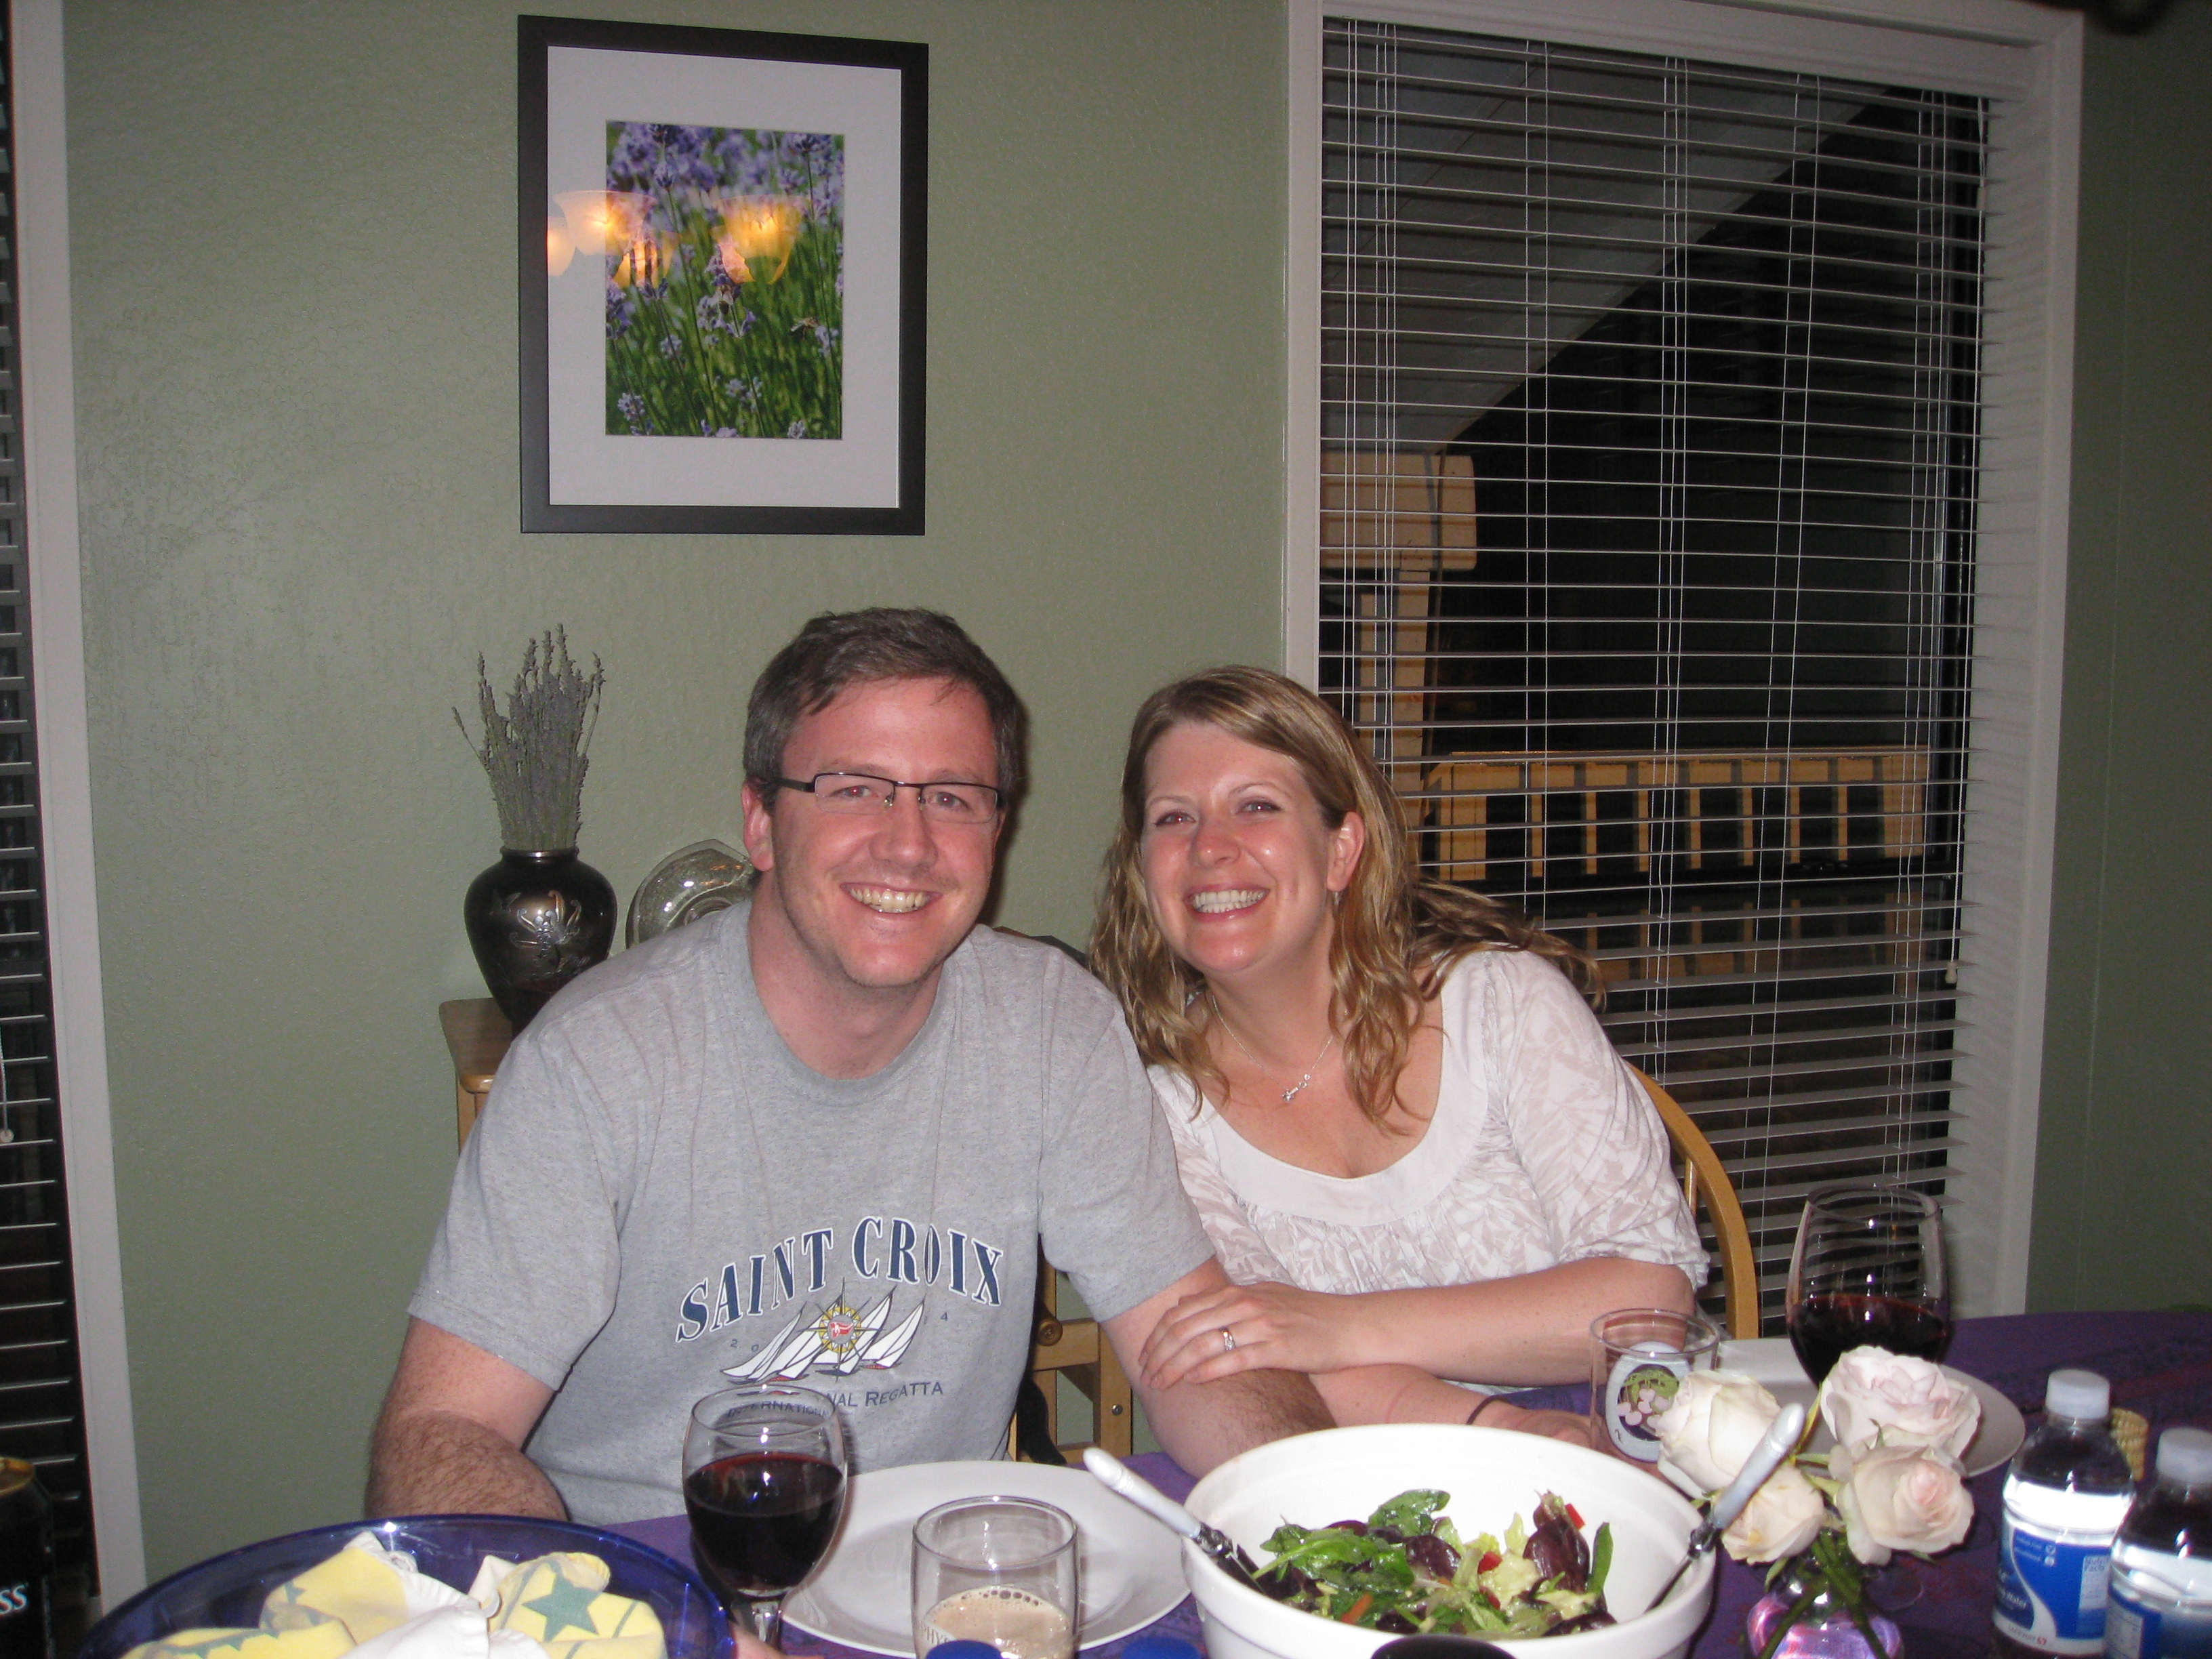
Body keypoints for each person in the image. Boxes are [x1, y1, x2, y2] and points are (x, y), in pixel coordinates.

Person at [369, 612, 1330, 1525]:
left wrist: (1322, 1522)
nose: (908, 845)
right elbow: (440, 1432)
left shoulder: (1054, 1028)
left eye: (951, 797)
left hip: (944, 1576)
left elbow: (1193, 1348)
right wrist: (600, 1606)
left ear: (997, 830)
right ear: (759, 821)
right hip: (657, 1574)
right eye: (854, 789)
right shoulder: (599, 1061)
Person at [1088, 665, 1707, 1441]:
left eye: (1256, 806)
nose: (1210, 847)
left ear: (1341, 851)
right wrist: (1501, 1431)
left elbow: (1650, 1305)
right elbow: (1264, 1359)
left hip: (1626, 1437)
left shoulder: (1501, 1004)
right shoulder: (1161, 1114)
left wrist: (1340, 1325)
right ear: (1144, 868)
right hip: (1386, 1465)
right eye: (1174, 817)